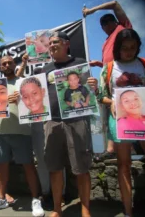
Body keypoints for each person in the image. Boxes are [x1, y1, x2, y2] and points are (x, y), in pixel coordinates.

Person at [33, 31, 98, 217]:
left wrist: (93, 85)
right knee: (54, 168)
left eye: (56, 42)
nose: (52, 45)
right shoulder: (45, 69)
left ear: (67, 43)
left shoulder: (80, 63)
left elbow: (89, 92)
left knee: (81, 168)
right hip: (52, 122)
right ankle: (57, 209)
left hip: (77, 121)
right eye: (50, 43)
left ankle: (86, 210)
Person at [0, 55, 44, 217]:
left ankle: (35, 199)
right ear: (0, 67)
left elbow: (34, 104)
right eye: (4, 64)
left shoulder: (23, 82)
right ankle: (1, 198)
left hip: (22, 131)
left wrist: (20, 101)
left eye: (10, 62)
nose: (7, 65)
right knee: (1, 166)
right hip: (0, 131)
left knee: (28, 165)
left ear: (14, 65)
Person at [98, 29, 145, 217]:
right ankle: (128, 211)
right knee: (124, 164)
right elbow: (101, 96)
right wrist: (111, 101)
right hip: (119, 119)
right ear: (117, 48)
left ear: (138, 47)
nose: (128, 51)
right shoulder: (109, 68)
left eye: (132, 47)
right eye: (124, 48)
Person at [83, 0, 132, 160]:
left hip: (125, 76)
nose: (104, 28)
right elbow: (110, 60)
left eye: (105, 24)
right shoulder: (106, 41)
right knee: (110, 110)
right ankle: (110, 149)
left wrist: (91, 10)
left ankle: (139, 148)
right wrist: (100, 64)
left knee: (130, 111)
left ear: (112, 22)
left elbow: (115, 3)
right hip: (109, 78)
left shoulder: (122, 28)